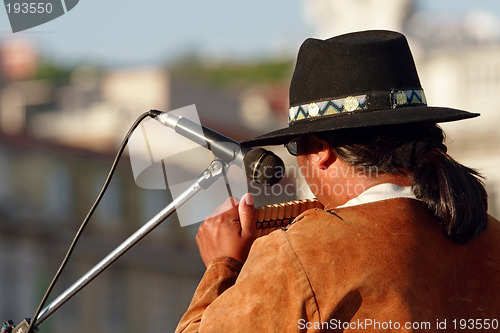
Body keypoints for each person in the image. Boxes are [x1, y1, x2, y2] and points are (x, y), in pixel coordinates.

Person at [175, 30, 500, 332]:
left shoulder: (301, 250)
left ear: (319, 150)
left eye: (295, 147)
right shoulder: (491, 238)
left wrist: (222, 266)